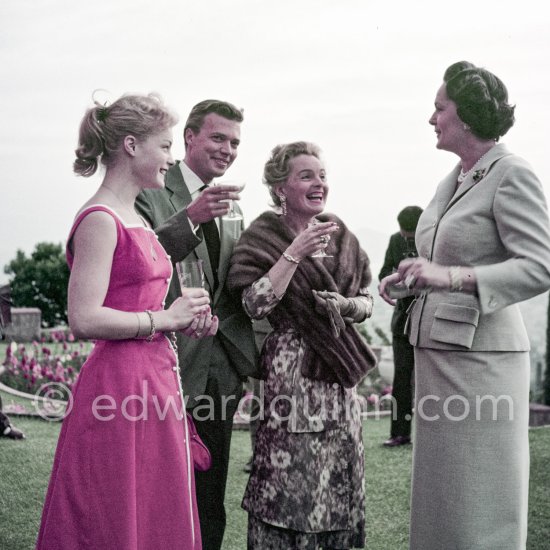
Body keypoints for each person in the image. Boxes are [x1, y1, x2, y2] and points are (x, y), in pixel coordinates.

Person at [380, 61, 550, 550]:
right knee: (444, 501)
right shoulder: (453, 178)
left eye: (439, 108)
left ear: (468, 116)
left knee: (479, 501)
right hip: (439, 355)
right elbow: (443, 258)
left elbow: (539, 266)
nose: (431, 118)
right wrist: (413, 279)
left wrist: (450, 276)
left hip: (483, 364)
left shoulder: (511, 173)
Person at [37, 93, 217, 550]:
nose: (172, 158)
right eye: (165, 146)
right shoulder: (99, 219)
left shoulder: (132, 216)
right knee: (116, 514)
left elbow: (139, 300)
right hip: (119, 386)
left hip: (154, 381)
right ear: (132, 145)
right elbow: (83, 317)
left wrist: (184, 320)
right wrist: (164, 318)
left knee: (154, 511)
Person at [228, 141, 377, 549]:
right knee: (290, 478)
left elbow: (368, 300)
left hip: (338, 374)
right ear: (280, 188)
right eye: (306, 176)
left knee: (337, 477)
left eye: (322, 175)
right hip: (291, 374)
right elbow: (254, 304)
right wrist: (293, 254)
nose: (319, 184)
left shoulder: (340, 233)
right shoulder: (263, 235)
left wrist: (348, 305)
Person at [135, 99, 259, 550]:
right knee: (159, 488)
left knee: (211, 495)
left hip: (219, 372)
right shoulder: (147, 190)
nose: (227, 150)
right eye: (218, 138)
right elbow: (138, 260)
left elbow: (236, 284)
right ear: (189, 137)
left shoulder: (233, 206)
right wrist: (190, 216)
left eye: (235, 143)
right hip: (164, 365)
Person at [378, 205, 422, 447]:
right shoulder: (395, 240)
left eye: (410, 236)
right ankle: (400, 433)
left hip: (429, 319)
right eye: (404, 234)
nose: (406, 239)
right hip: (402, 320)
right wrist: (396, 278)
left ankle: (433, 435)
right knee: (401, 378)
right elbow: (384, 271)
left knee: (432, 379)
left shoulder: (434, 240)